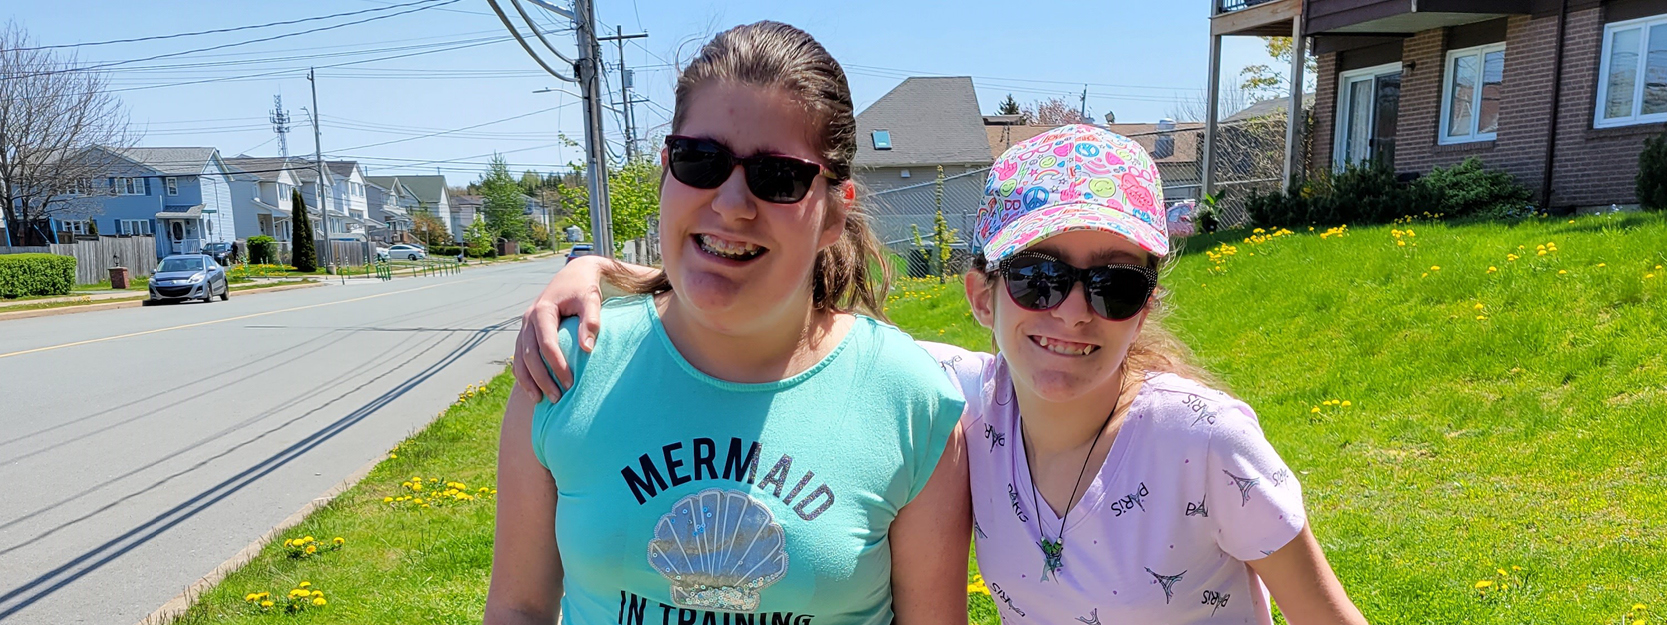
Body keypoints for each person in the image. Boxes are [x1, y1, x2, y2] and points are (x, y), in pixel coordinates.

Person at [515, 125, 1369, 624]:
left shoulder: (1205, 439)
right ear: (978, 293)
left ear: (1146, 305)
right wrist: (603, 270)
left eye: (1114, 283)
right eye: (1037, 277)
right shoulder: (947, 401)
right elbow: (797, 318)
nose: (1072, 313)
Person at [485, 22, 971, 625]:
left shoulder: (909, 403)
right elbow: (519, 607)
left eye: (778, 178)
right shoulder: (564, 366)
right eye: (701, 160)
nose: (732, 203)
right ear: (665, 170)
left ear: (832, 215)